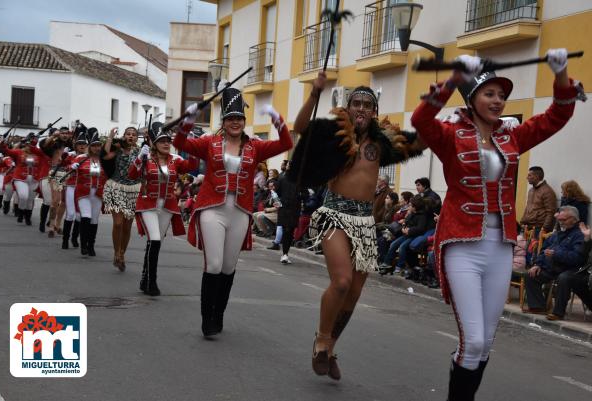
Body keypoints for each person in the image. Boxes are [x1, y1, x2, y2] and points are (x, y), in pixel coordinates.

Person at [410, 49, 585, 400]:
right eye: (490, 94)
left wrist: (561, 72)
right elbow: (420, 120)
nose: (498, 101)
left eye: (502, 95)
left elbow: (558, 115)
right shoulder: (450, 135)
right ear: (472, 98)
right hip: (461, 245)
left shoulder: (512, 136)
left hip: (500, 246)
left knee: (485, 343)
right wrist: (453, 78)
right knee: (472, 340)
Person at [289, 73, 425, 381]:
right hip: (334, 214)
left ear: (374, 112)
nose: (361, 108)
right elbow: (300, 127)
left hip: (365, 222)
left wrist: (435, 107)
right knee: (340, 282)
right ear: (348, 109)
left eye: (367, 104)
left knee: (353, 293)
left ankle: (330, 348)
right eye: (356, 103)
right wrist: (314, 93)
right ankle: (321, 339)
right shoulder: (333, 131)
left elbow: (420, 141)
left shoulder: (382, 141)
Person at [173, 87, 293, 337]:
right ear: (224, 122)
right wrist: (188, 120)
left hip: (239, 211)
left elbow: (286, 143)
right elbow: (179, 143)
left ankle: (219, 314)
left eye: (239, 118)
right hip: (212, 209)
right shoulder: (209, 143)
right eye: (231, 118)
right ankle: (207, 320)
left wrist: (277, 119)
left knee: (228, 266)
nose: (235, 122)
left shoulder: (255, 147)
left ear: (244, 122)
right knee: (214, 264)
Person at [128, 122, 197, 296]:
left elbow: (192, 166)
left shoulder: (175, 159)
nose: (166, 144)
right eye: (162, 141)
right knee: (156, 240)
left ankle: (144, 278)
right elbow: (132, 175)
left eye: (168, 140)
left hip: (167, 206)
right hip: (148, 204)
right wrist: (139, 159)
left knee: (154, 242)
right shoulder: (146, 158)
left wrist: (192, 145)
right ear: (154, 144)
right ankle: (152, 281)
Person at [524, 206, 585, 320]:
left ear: (574, 219)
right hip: (553, 267)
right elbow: (543, 250)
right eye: (559, 220)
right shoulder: (557, 234)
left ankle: (558, 313)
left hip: (571, 269)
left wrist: (556, 254)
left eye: (564, 220)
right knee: (531, 274)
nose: (560, 223)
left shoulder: (579, 235)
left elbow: (577, 258)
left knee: (564, 278)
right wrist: (538, 264)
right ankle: (538, 306)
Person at [102, 126, 142, 271]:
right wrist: (111, 137)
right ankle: (116, 252)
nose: (131, 136)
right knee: (118, 223)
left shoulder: (140, 152)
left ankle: (122, 254)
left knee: (127, 226)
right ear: (124, 136)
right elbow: (105, 154)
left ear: (137, 138)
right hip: (116, 187)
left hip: (133, 191)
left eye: (133, 134)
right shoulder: (117, 149)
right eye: (128, 134)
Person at [71, 128, 107, 257]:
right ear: (90, 147)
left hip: (97, 193)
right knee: (85, 216)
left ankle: (91, 245)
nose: (96, 148)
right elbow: (72, 165)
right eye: (94, 146)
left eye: (98, 146)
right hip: (83, 193)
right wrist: (73, 167)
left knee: (94, 220)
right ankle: (83, 245)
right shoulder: (81, 158)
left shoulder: (104, 160)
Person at [378, 196, 428, 275]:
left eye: (411, 205)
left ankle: (399, 266)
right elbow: (406, 222)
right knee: (393, 244)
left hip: (413, 236)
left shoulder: (422, 216)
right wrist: (404, 227)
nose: (409, 207)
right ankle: (387, 263)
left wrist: (409, 230)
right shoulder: (411, 213)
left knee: (402, 247)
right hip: (406, 234)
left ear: (415, 207)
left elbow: (420, 228)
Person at [60, 128, 88, 249]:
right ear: (75, 145)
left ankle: (74, 237)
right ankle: (65, 239)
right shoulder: (71, 155)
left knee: (79, 215)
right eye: (80, 144)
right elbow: (63, 165)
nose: (82, 146)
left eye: (84, 144)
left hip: (82, 188)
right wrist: (67, 160)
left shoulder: (88, 157)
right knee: (70, 213)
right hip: (71, 186)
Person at [520, 166, 557, 233]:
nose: (527, 177)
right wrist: (522, 222)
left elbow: (551, 212)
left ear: (536, 176)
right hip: (527, 227)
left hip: (539, 228)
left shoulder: (547, 191)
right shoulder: (531, 190)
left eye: (529, 175)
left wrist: (544, 229)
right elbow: (527, 207)